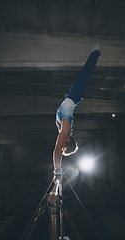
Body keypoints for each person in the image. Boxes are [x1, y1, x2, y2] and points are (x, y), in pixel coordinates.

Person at [53, 44, 101, 183]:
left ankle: (95, 53)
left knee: (83, 75)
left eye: (62, 148)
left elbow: (58, 148)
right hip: (74, 96)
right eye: (64, 146)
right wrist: (57, 171)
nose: (61, 145)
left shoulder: (63, 130)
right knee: (85, 75)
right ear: (67, 141)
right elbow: (56, 151)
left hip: (70, 98)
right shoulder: (65, 130)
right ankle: (96, 52)